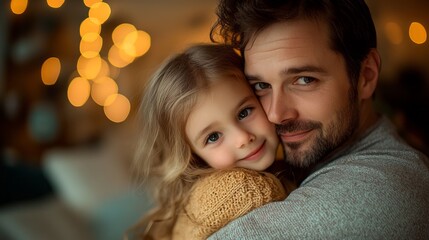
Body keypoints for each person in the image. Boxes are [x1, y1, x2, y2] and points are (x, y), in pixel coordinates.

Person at [208, 0, 429, 239]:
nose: (276, 114)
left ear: (366, 76)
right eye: (261, 85)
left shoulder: (381, 188)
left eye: (304, 80)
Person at [130, 44, 293, 239]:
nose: (242, 138)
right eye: (213, 137)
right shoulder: (245, 190)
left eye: (244, 112)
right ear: (191, 155)